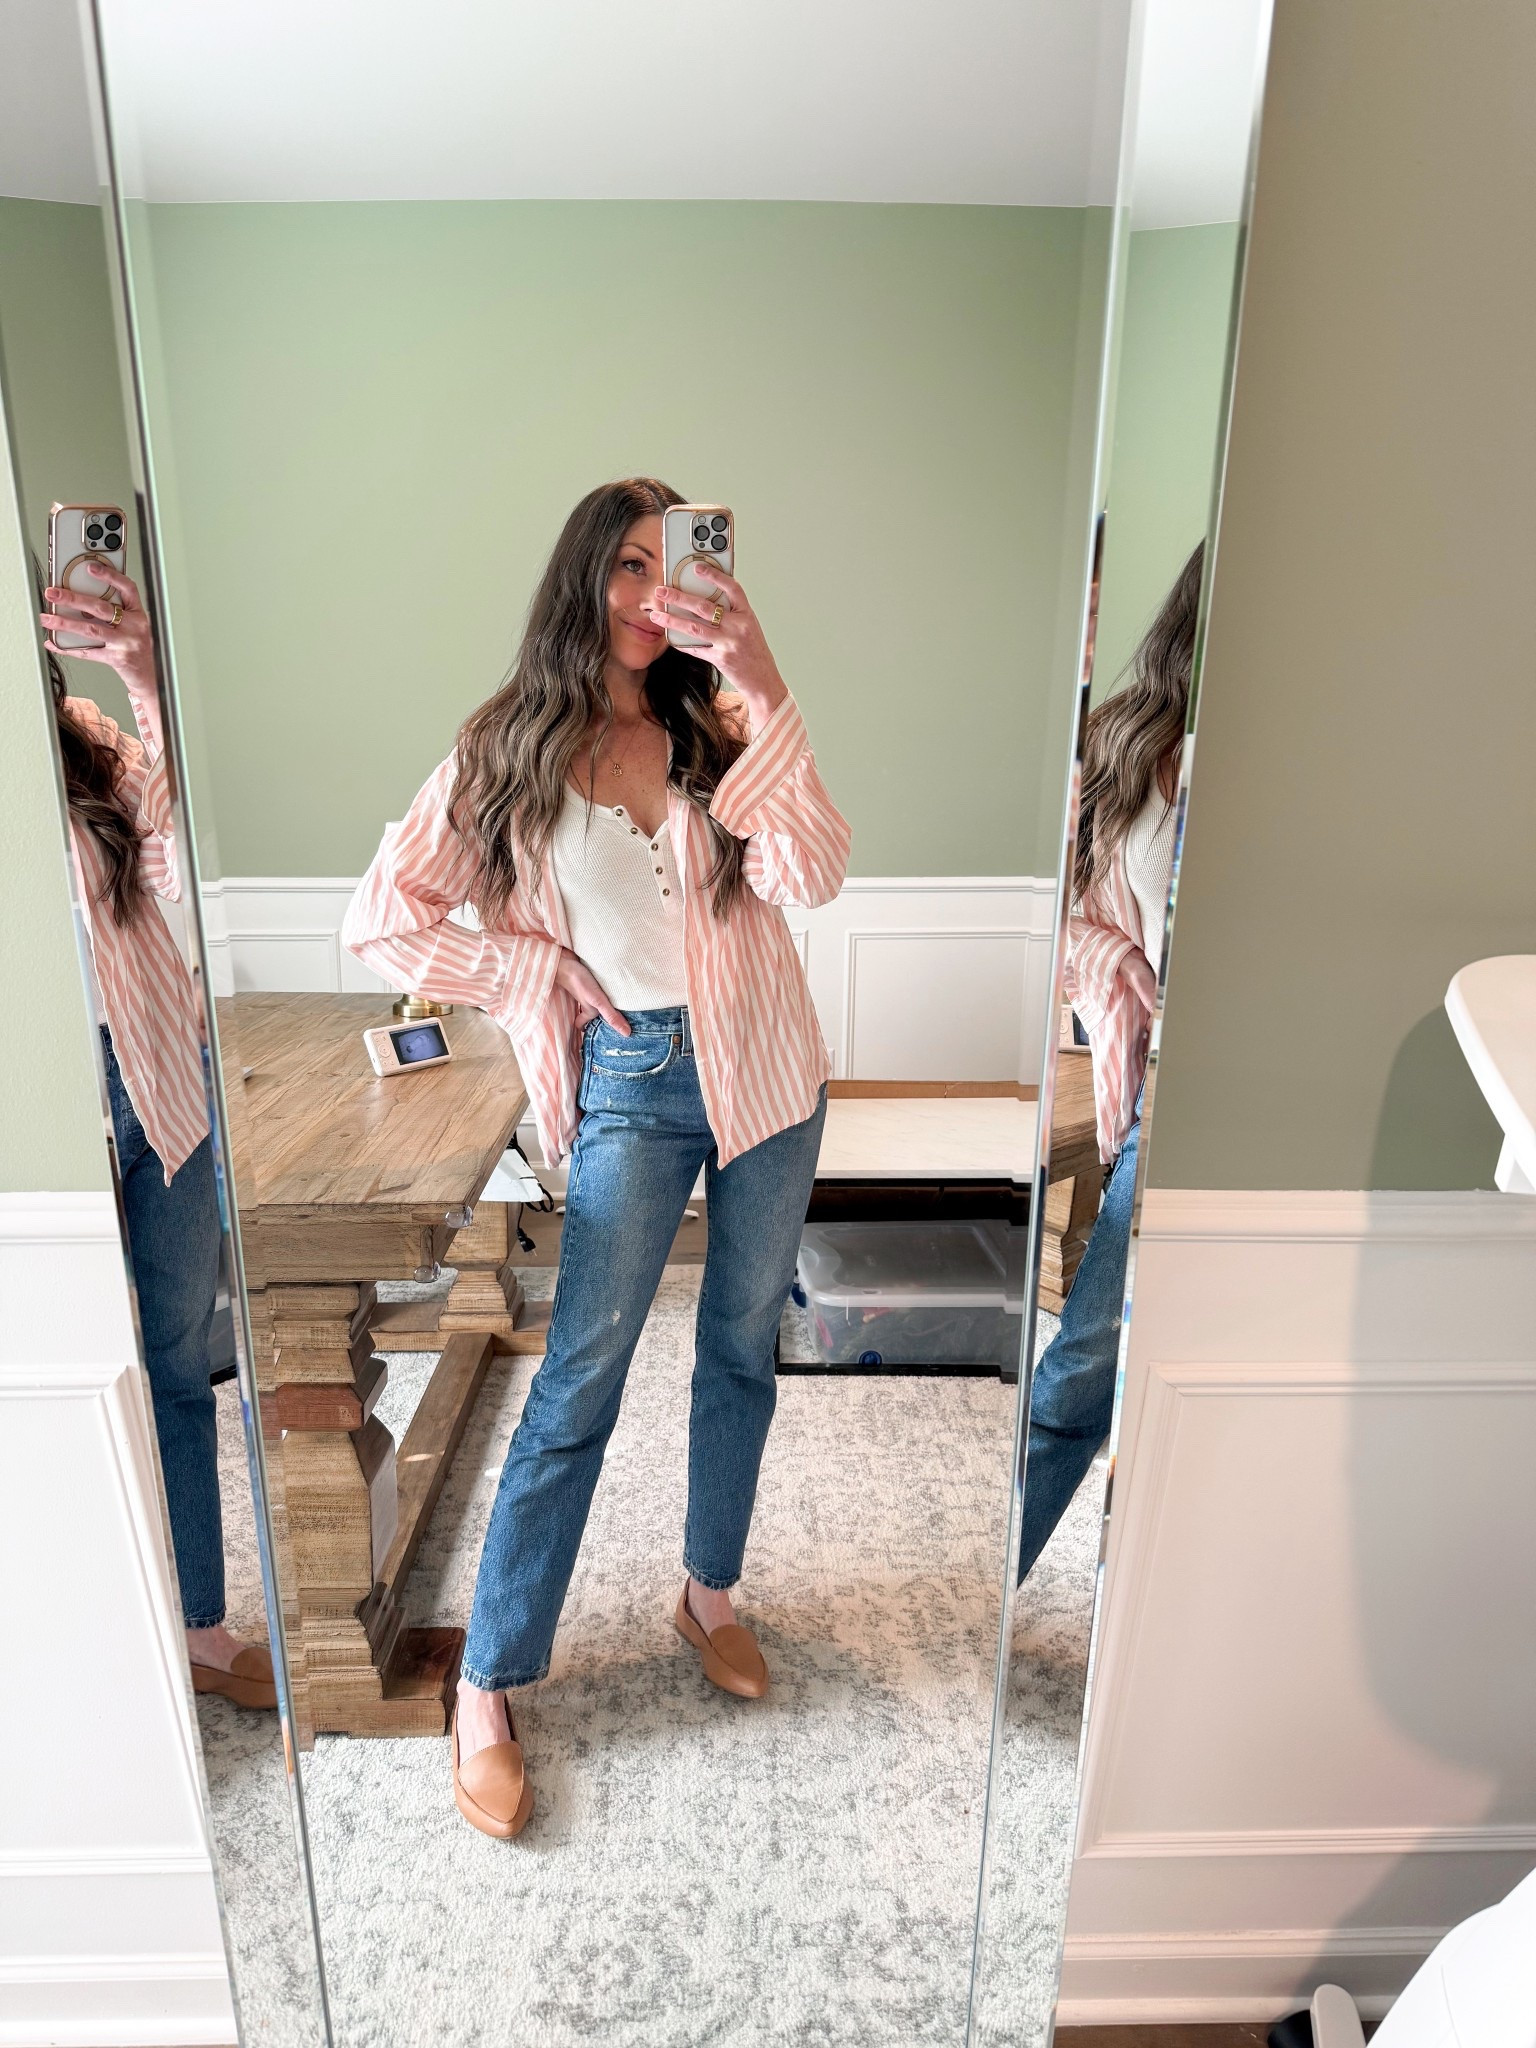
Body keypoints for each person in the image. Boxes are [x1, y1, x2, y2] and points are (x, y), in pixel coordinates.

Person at [343, 477, 850, 1837]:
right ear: (585, 577)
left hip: (770, 1067)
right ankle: (489, 1683)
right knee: (579, 1377)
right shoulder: (506, 744)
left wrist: (760, 675)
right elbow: (380, 918)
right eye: (627, 564)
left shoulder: (720, 722)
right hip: (632, 1079)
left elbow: (813, 875)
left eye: (670, 562)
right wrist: (532, 968)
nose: (650, 592)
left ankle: (707, 1592)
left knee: (740, 1345)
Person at [39, 561, 277, 1709]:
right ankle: (86, 1637)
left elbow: (184, 859)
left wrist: (140, 675)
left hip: (159, 1080)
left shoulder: (87, 742)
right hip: (47, 1110)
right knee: (68, 1373)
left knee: (180, 1364)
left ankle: (198, 1622)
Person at [1016, 543, 1204, 1583]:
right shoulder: (1129, 742)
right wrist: (1124, 960)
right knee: (1086, 1360)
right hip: (1164, 1092)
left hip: (1257, 1101)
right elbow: (1066, 916)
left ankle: (1154, 1611)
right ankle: (1006, 1581)